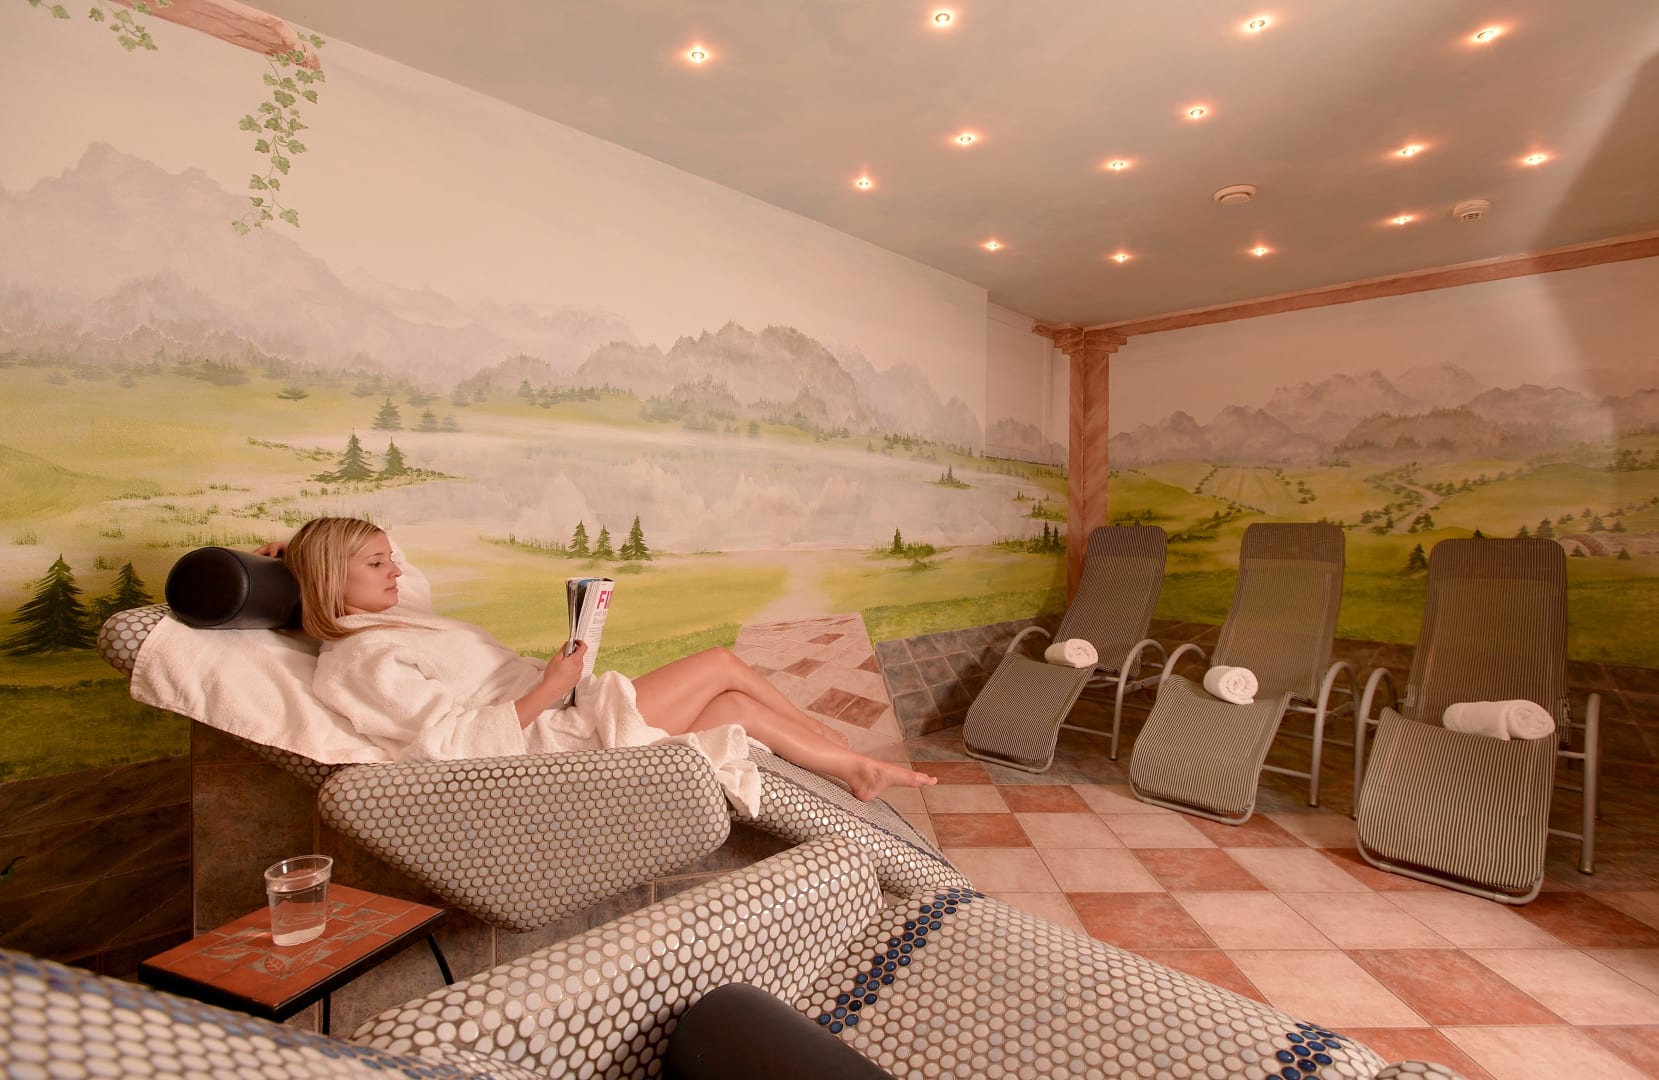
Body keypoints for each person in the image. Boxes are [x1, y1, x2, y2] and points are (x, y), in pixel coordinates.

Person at [258, 517, 937, 803]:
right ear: (331, 577)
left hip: (564, 707)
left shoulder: (396, 621)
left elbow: (382, 567)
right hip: (553, 745)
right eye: (377, 564)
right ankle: (837, 744)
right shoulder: (359, 661)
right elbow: (451, 748)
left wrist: (294, 549)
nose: (397, 572)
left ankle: (851, 769)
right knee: (719, 663)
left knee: (733, 705)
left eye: (390, 560)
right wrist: (549, 686)